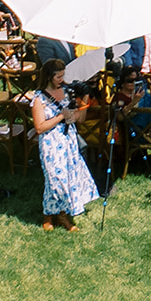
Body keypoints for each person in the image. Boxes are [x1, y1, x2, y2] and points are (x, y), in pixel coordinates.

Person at [32, 58, 100, 231]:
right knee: (55, 180)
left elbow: (78, 118)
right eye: (58, 77)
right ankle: (50, 216)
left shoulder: (67, 91)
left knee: (69, 178)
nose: (61, 80)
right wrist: (61, 116)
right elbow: (39, 127)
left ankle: (59, 215)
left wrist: (81, 104)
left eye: (63, 76)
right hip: (51, 142)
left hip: (68, 139)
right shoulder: (39, 98)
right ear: (49, 77)